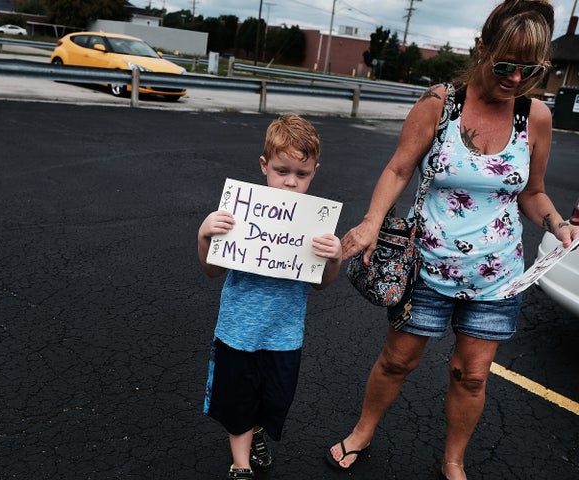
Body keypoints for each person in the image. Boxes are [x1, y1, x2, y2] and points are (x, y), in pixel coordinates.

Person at [325, 1, 579, 479]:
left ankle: (453, 460)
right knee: (398, 361)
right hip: (427, 266)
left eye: (530, 70)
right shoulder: (440, 103)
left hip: (497, 277)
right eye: (504, 64)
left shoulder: (535, 117)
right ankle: (362, 432)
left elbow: (534, 191)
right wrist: (371, 222)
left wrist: (558, 225)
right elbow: (399, 168)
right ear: (481, 48)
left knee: (473, 375)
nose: (514, 78)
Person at [198, 114, 343, 480]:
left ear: (315, 172)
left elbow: (322, 283)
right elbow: (211, 269)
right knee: (238, 400)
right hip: (237, 331)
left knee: (276, 399)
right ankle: (241, 463)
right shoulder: (242, 213)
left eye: (302, 174)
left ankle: (258, 430)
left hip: (284, 336)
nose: (291, 182)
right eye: (281, 171)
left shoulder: (314, 223)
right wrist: (204, 235)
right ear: (264, 166)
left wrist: (336, 257)